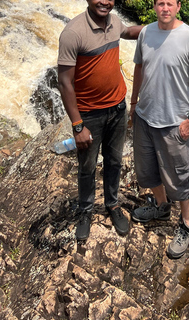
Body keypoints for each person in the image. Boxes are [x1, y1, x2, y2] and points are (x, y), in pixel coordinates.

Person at [129, 0, 189, 258]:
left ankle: (186, 223)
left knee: (181, 177)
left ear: (178, 7)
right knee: (148, 171)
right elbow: (139, 67)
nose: (165, 8)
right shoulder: (146, 33)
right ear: (155, 6)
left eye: (170, 3)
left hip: (174, 122)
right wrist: (133, 103)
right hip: (144, 117)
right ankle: (162, 207)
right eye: (160, 3)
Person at [57, 0, 143, 240]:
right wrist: (77, 125)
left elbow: (128, 32)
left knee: (114, 161)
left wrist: (159, 27)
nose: (105, 1)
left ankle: (112, 205)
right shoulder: (73, 33)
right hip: (89, 114)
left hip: (117, 108)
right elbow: (64, 83)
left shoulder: (114, 22)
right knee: (87, 166)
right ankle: (85, 210)